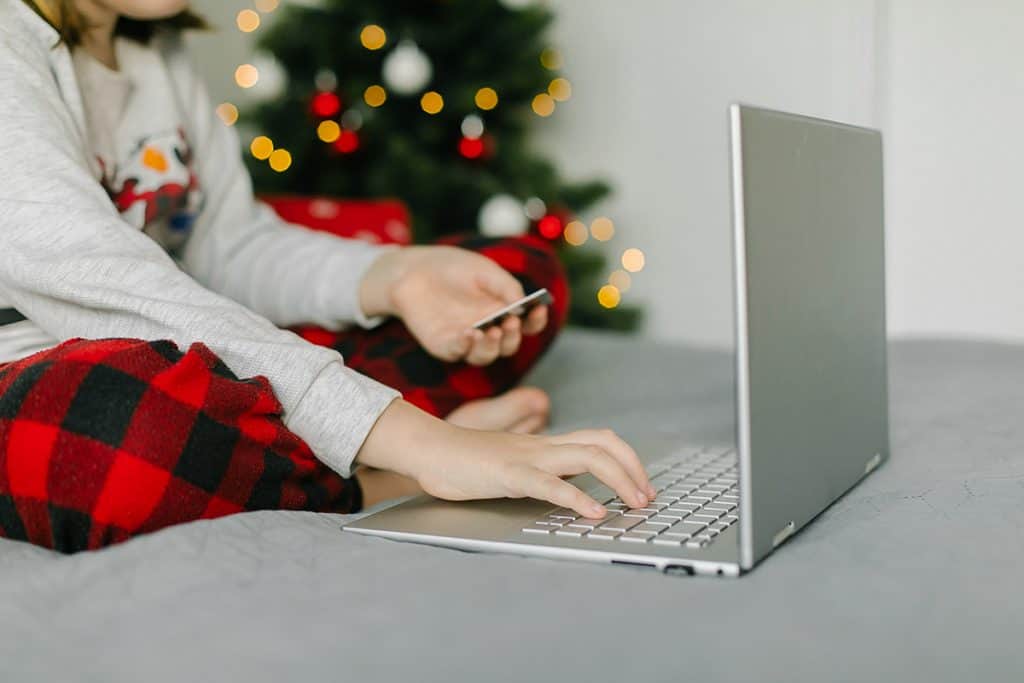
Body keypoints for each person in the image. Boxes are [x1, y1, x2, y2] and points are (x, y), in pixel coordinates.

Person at [0, 0, 653, 553]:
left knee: (510, 275)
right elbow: (106, 285)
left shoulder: (152, 42)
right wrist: (422, 445)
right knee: (117, 433)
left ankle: (317, 450)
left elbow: (226, 248)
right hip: (52, 380)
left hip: (185, 351)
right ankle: (370, 481)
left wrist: (394, 275)